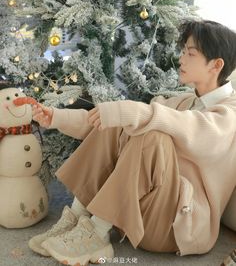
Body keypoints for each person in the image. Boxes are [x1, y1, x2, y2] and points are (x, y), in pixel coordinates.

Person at [29, 19, 236, 266]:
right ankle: (77, 217)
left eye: (190, 53)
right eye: (182, 51)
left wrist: (133, 112)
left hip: (180, 228)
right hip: (147, 214)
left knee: (152, 134)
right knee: (119, 121)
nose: (181, 59)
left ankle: (96, 231)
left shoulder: (229, 114)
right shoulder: (183, 102)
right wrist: (56, 117)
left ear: (216, 65)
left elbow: (191, 127)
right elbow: (121, 122)